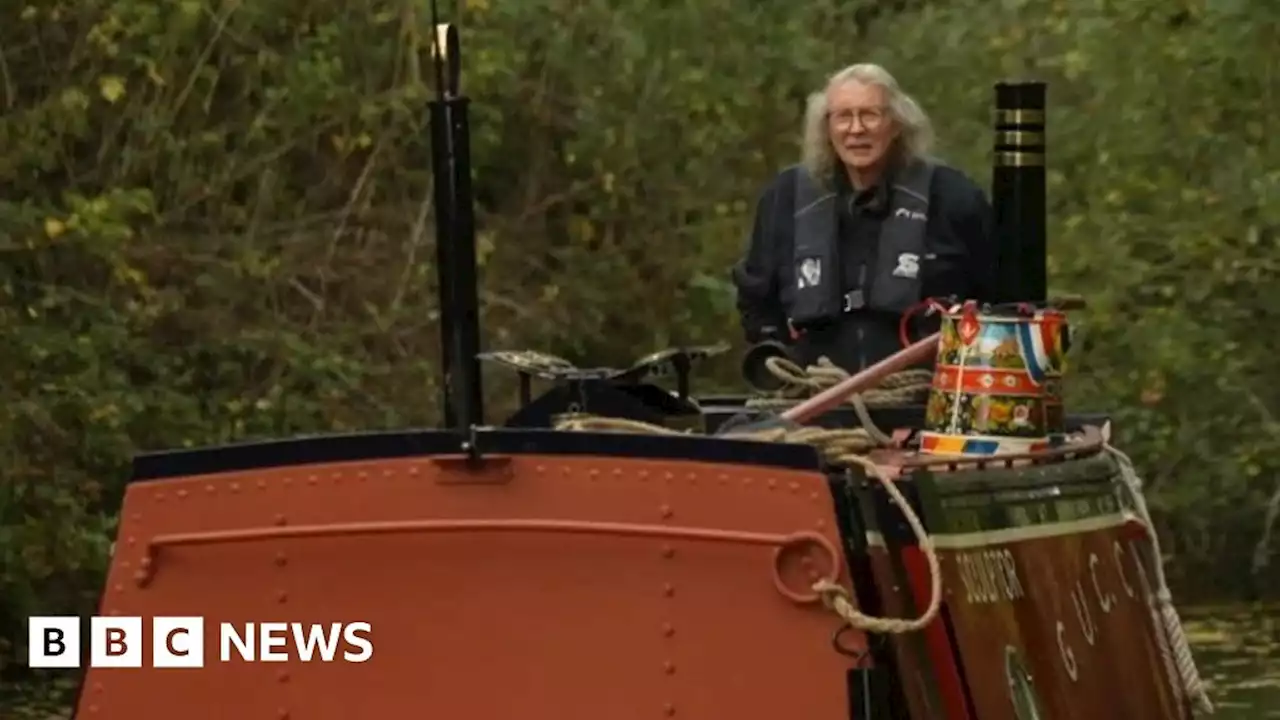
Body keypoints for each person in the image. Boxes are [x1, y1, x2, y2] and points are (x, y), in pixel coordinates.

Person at [731, 63, 998, 375]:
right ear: (826, 128)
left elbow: (996, 298)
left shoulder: (954, 196)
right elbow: (755, 298)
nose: (856, 129)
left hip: (926, 395)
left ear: (896, 124)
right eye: (844, 117)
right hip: (813, 396)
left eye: (870, 115)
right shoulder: (785, 197)